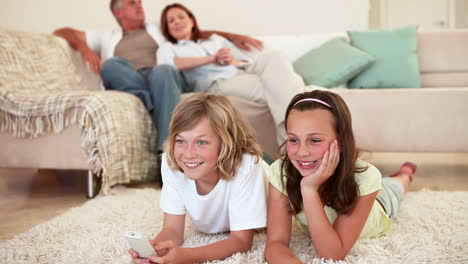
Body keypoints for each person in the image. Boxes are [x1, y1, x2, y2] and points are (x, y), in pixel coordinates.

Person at [53, 0, 263, 153]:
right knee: (111, 65)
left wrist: (232, 36)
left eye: (140, 2)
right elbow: (62, 31)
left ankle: (165, 151)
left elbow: (196, 31)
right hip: (131, 80)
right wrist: (83, 49)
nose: (140, 5)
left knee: (163, 69)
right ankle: (152, 101)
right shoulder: (107, 35)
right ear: (119, 13)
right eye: (132, 3)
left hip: (163, 79)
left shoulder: (158, 29)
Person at [265, 90, 417, 262]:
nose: (302, 152)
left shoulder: (366, 177)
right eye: (293, 139)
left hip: (381, 204)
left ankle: (405, 174)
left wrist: (309, 189)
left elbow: (332, 254)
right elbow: (275, 243)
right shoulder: (281, 172)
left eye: (315, 140)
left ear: (342, 142)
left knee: (395, 186)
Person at [129, 94, 268, 263]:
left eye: (201, 142)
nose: (188, 154)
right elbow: (172, 228)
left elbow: (241, 241)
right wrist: (155, 251)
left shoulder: (248, 165)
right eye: (180, 141)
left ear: (225, 143)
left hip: (268, 175)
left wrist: (186, 256)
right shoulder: (171, 160)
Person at [157, 3, 305, 144]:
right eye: (171, 21)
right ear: (167, 29)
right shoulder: (168, 47)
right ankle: (291, 135)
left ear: (191, 20)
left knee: (275, 56)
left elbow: (242, 62)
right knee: (290, 84)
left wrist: (230, 60)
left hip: (241, 72)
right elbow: (170, 64)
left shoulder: (215, 40)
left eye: (181, 17)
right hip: (219, 82)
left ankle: (292, 134)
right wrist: (211, 59)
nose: (177, 22)